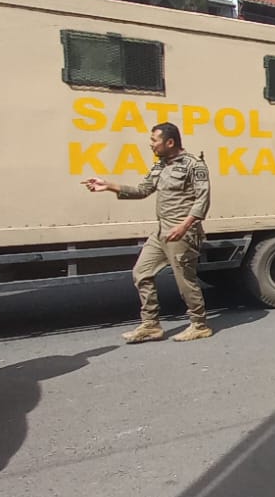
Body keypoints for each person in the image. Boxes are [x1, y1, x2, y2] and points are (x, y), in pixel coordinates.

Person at [84, 122, 214, 343]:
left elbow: (203, 200)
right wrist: (109, 185)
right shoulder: (160, 166)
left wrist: (183, 226)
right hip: (162, 231)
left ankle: (199, 324)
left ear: (170, 142)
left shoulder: (194, 165)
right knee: (141, 272)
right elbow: (143, 190)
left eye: (155, 140)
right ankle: (151, 325)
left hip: (182, 232)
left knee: (185, 281)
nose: (151, 145)